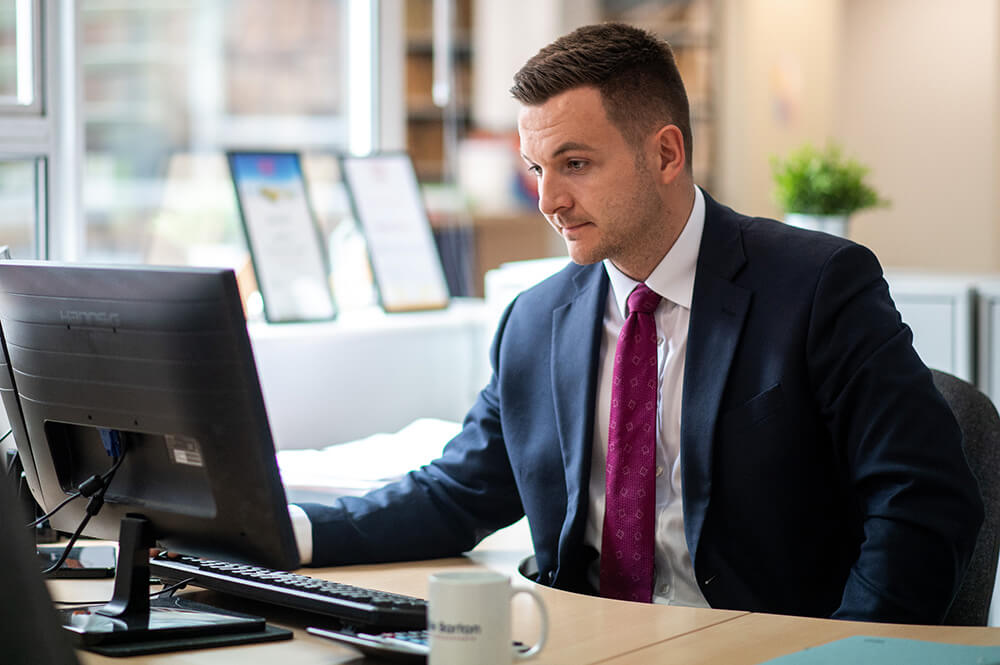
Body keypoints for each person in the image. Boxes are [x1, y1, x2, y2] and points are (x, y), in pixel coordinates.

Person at [292, 22, 983, 623]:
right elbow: (458, 492)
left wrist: (846, 657)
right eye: (536, 168)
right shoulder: (536, 320)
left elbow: (921, 500)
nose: (550, 200)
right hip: (585, 642)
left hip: (761, 646)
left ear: (666, 154)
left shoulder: (817, 287)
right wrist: (284, 531)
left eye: (576, 164)